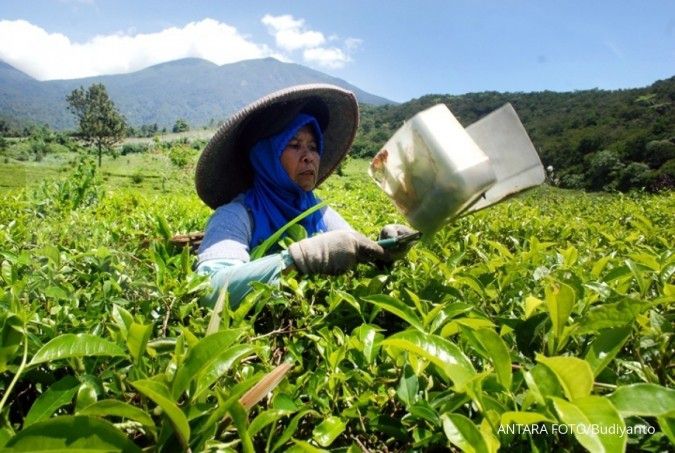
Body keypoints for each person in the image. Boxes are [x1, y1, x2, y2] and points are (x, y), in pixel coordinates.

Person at [194, 84, 414, 308]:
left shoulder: (316, 210)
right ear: (265, 155)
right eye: (294, 144)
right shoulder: (235, 215)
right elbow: (209, 289)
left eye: (313, 146)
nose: (309, 157)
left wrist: (385, 252)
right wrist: (301, 258)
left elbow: (352, 247)